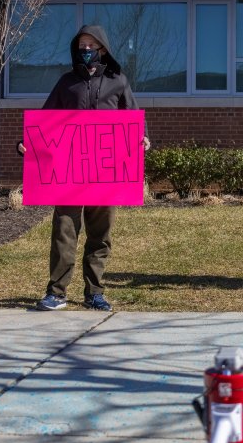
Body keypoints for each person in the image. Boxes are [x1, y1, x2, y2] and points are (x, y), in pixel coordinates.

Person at [18, 24, 150, 312]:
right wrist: (27, 143)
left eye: (92, 46)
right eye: (82, 46)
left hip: (106, 173)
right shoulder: (67, 83)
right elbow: (46, 119)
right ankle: (56, 292)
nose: (86, 51)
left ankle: (94, 292)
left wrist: (143, 138)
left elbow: (133, 117)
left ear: (103, 49)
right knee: (65, 230)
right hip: (69, 175)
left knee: (100, 234)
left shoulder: (118, 81)